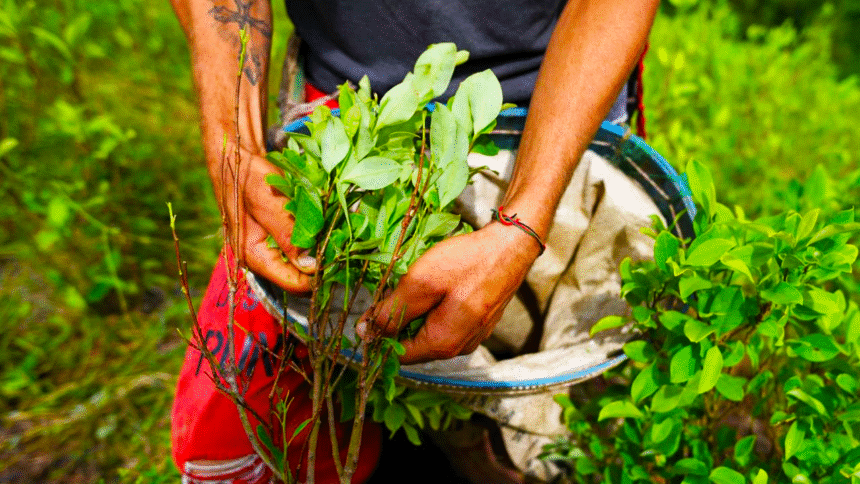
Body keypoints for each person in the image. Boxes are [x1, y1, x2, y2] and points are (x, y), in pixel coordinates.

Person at [168, 0, 659, 482]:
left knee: (561, 422)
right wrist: (233, 143)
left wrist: (524, 220)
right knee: (302, 406)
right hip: (347, 120)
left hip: (557, 119)